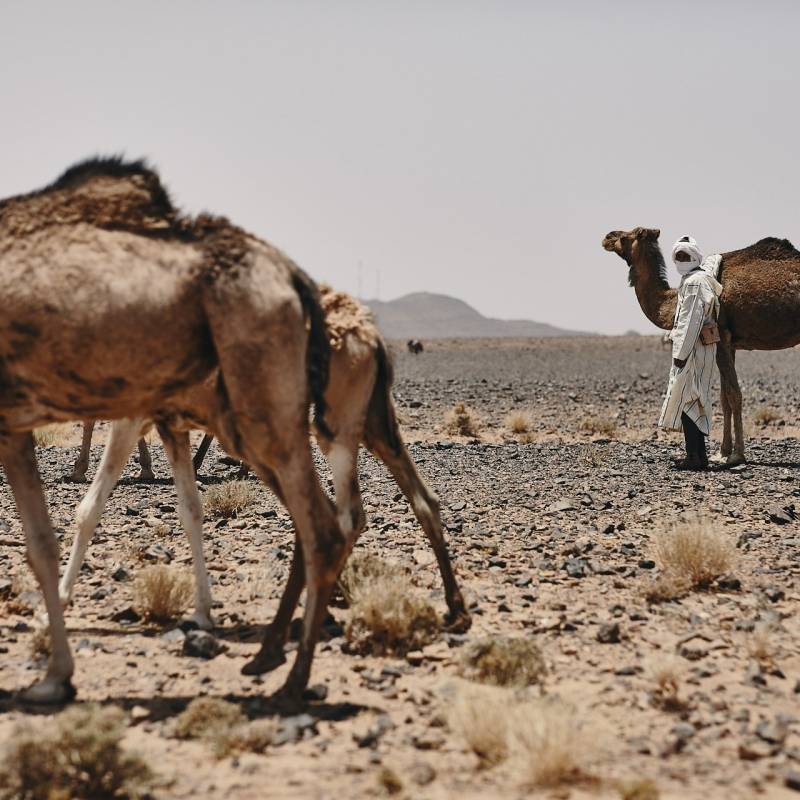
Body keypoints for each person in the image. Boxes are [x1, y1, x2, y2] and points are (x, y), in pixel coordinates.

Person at [658, 236, 723, 470]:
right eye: (678, 256)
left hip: (692, 351)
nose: (681, 260)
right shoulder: (701, 276)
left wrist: (681, 355)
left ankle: (694, 458)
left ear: (695, 256)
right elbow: (712, 263)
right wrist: (716, 257)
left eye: (686, 256)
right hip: (700, 350)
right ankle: (698, 456)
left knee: (687, 401)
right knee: (694, 400)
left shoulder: (695, 283)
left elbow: (691, 322)